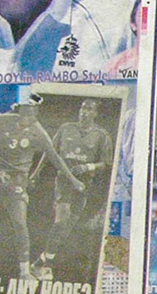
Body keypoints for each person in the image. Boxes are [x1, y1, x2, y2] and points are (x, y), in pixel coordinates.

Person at [0, 98, 83, 281]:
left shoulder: (38, 132)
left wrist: (73, 179)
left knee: (20, 224)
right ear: (18, 109)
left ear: (36, 112)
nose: (27, 115)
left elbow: (54, 157)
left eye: (32, 111)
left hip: (16, 184)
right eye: (24, 110)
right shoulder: (4, 120)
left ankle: (24, 271)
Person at [36, 99, 113, 281]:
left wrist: (89, 167)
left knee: (68, 226)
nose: (84, 112)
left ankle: (40, 262)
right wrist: (36, 174)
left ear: (95, 113)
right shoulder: (65, 128)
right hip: (64, 181)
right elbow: (50, 152)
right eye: (82, 108)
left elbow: (107, 163)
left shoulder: (102, 135)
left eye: (89, 109)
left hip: (84, 184)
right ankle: (45, 266)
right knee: (61, 221)